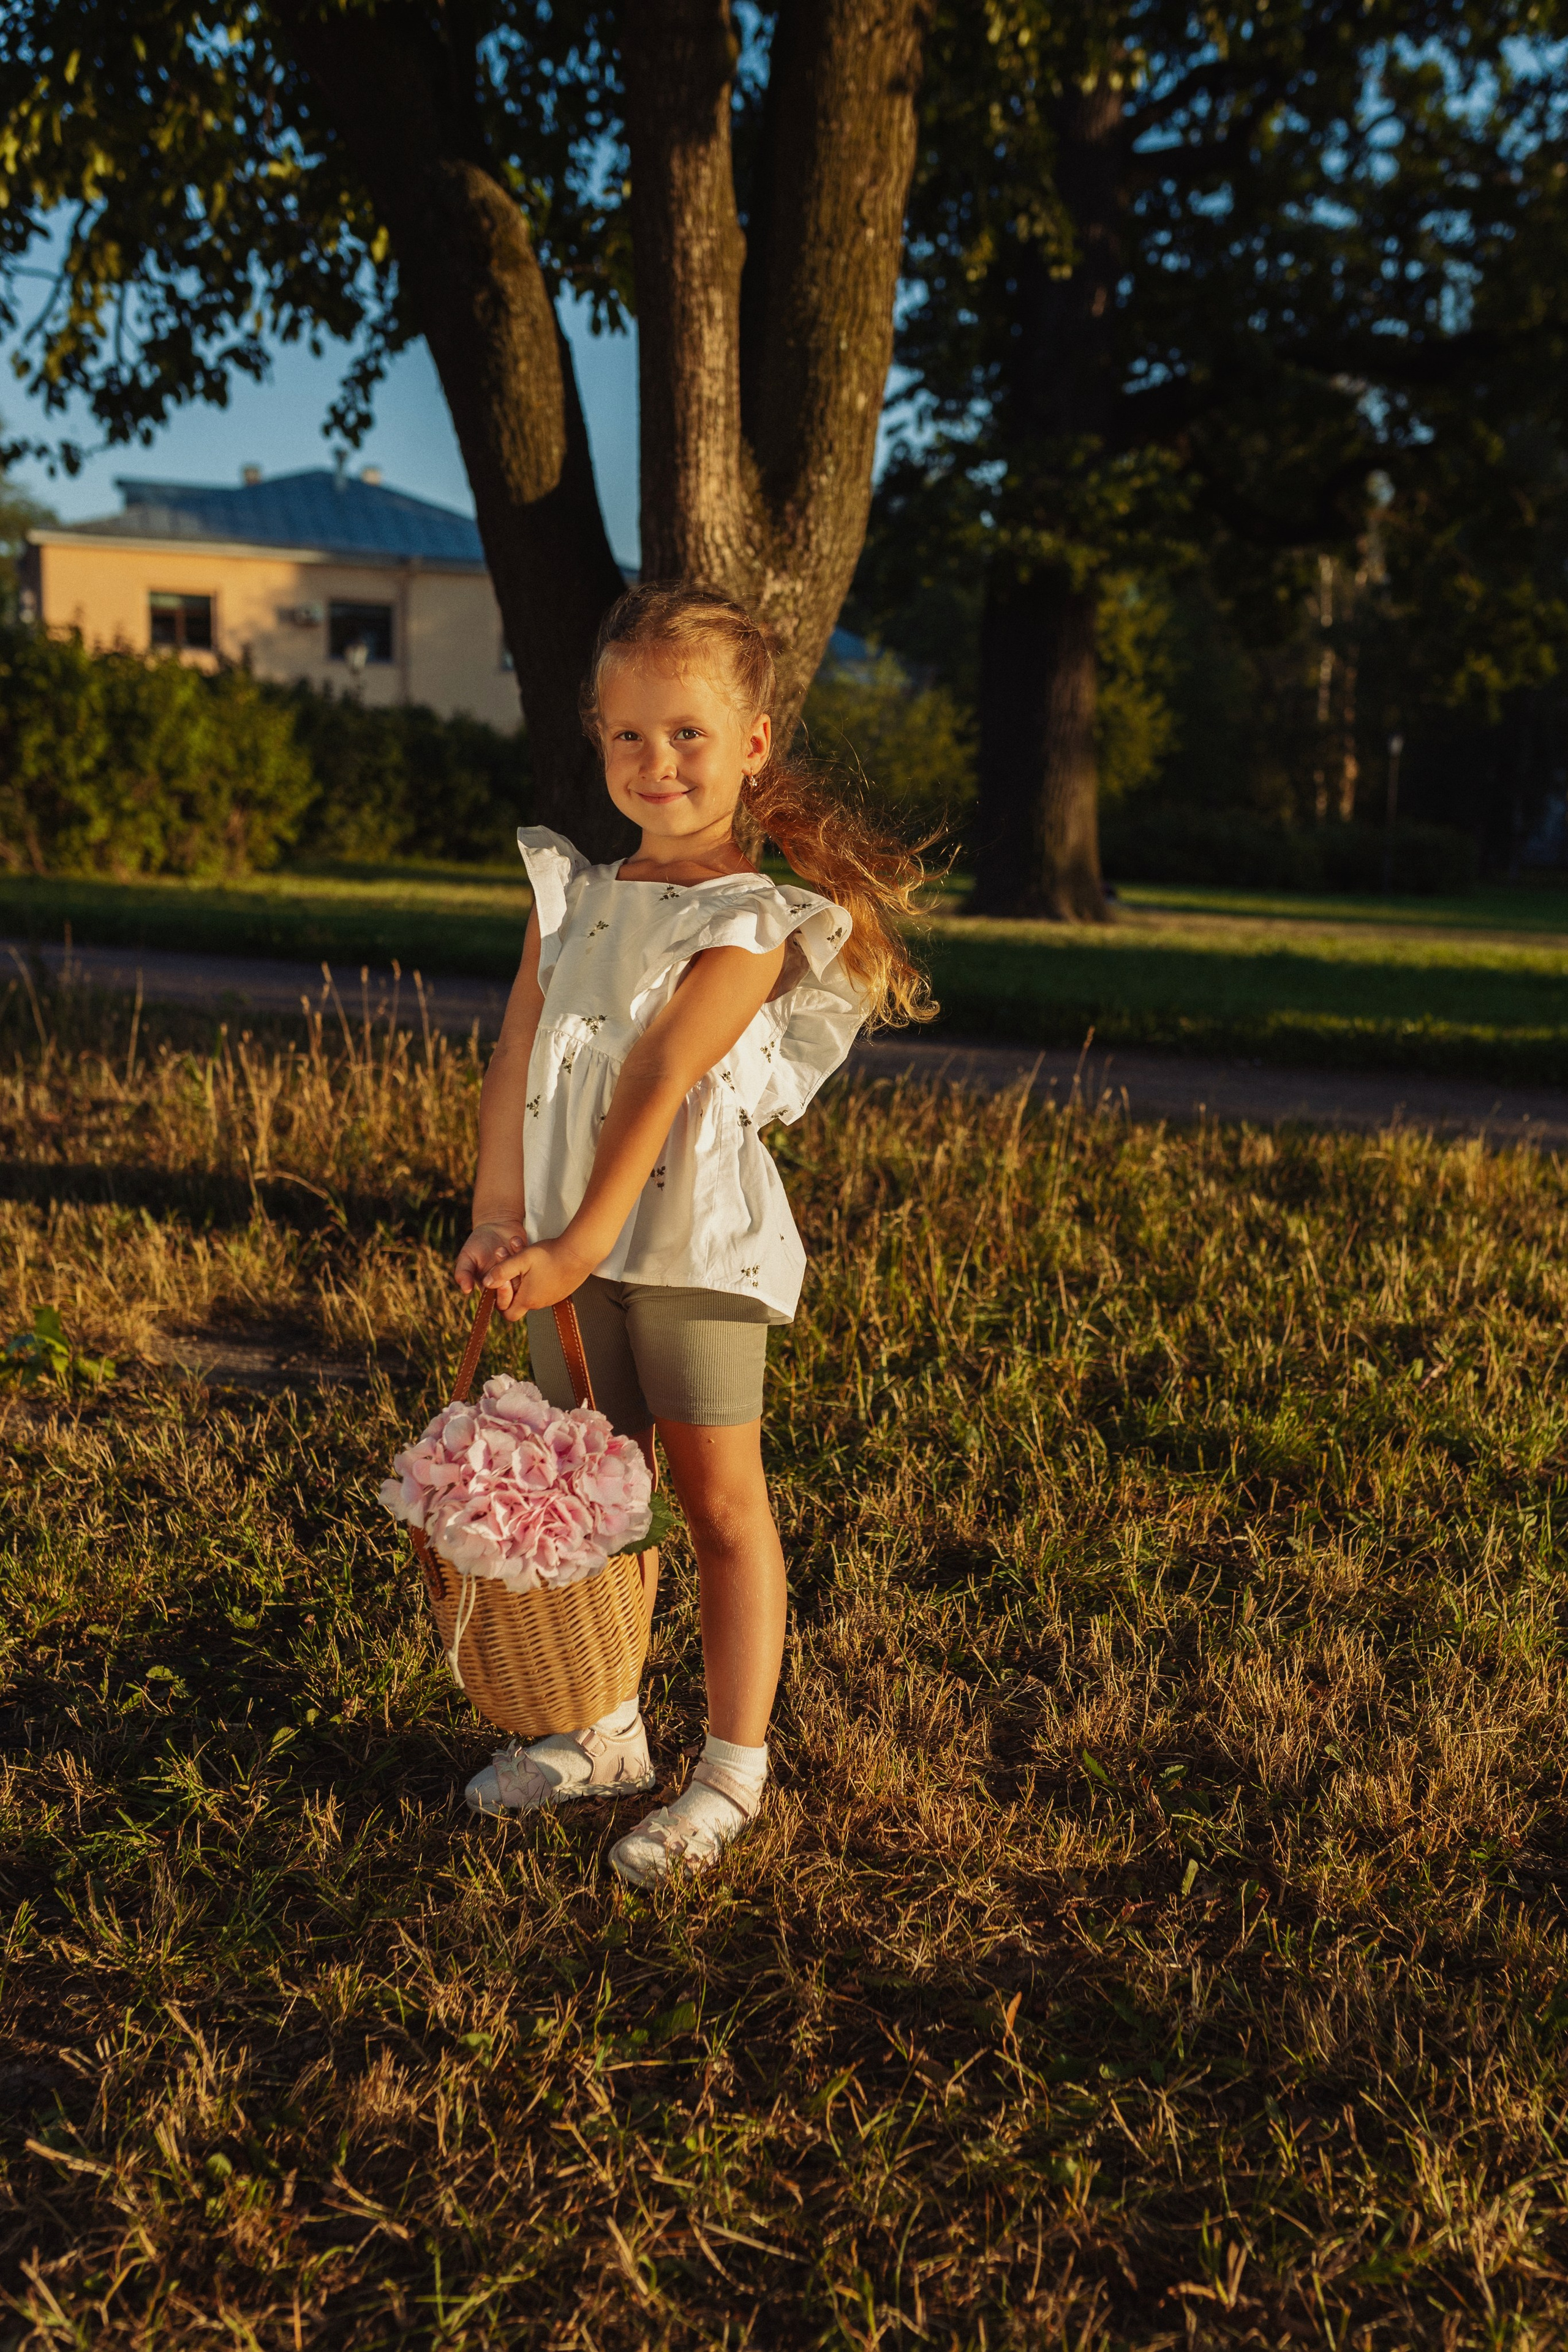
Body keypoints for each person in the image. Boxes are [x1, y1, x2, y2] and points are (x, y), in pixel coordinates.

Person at [453, 580, 933, 1885]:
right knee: (585, 1502)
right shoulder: (570, 894)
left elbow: (661, 1081)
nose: (654, 763)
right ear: (594, 737)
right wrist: (505, 1215)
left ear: (753, 745)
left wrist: (569, 1243)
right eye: (626, 735)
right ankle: (600, 1731)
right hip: (563, 1247)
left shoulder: (749, 922)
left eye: (687, 735)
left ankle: (729, 1767)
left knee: (720, 1508)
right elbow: (513, 1054)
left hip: (691, 1254)